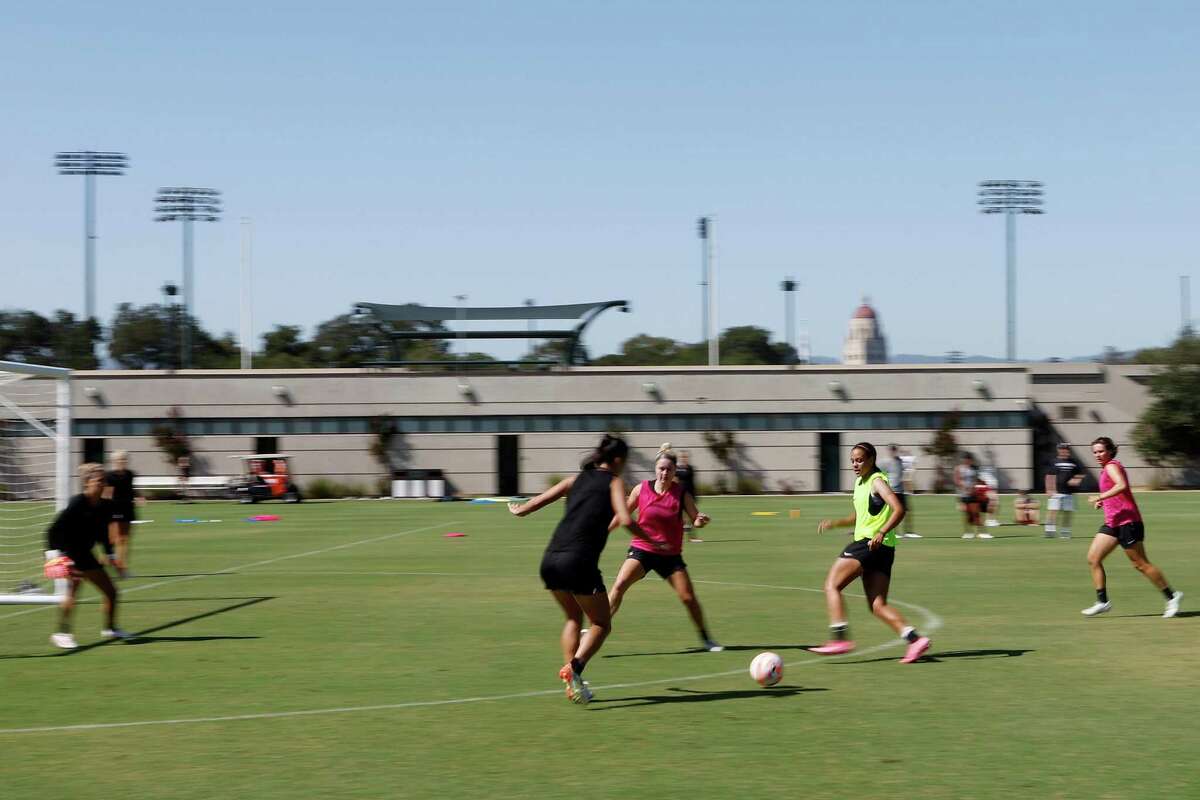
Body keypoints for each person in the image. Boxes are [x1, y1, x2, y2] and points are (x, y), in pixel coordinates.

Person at [508, 434, 653, 705]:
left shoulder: (576, 479)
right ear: (618, 460)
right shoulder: (614, 482)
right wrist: (650, 538)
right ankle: (574, 668)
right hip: (578, 562)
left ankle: (574, 684)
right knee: (600, 623)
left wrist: (521, 510)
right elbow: (624, 518)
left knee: (573, 617)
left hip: (550, 560)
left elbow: (538, 502)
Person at [811, 442, 931, 664]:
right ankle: (915, 640)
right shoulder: (862, 483)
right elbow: (860, 516)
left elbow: (899, 509)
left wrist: (881, 531)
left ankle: (839, 638)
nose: (855, 464)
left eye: (860, 460)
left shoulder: (877, 481)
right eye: (853, 461)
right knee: (878, 606)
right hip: (884, 550)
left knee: (831, 585)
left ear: (871, 460)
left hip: (869, 544)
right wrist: (835, 523)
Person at [606, 444, 721, 651]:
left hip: (670, 556)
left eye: (669, 469)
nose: (664, 473)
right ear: (655, 469)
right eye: (661, 468)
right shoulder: (641, 489)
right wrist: (603, 532)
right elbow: (623, 515)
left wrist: (700, 521)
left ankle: (706, 639)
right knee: (620, 584)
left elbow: (695, 519)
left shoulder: (681, 494)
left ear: (675, 471)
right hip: (642, 549)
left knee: (688, 597)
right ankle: (599, 626)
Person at [1081, 437, 1183, 618]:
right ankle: (1102, 602)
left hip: (1128, 522)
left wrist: (1100, 497)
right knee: (1093, 559)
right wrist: (1104, 503)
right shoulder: (1106, 469)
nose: (1097, 455)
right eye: (1095, 452)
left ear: (1110, 451)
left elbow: (1122, 485)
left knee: (1141, 564)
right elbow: (1118, 494)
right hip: (1113, 522)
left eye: (1101, 451)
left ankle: (1172, 596)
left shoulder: (1112, 466)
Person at [45, 463, 129, 649]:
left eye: (103, 481)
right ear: (87, 482)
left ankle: (110, 629)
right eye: (98, 481)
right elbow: (52, 530)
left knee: (112, 592)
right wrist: (52, 557)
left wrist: (112, 557)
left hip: (86, 552)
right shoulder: (77, 502)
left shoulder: (107, 506)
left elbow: (103, 536)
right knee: (73, 589)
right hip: (68, 551)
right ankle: (61, 633)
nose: (102, 484)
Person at [104, 450, 141, 579]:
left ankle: (122, 568)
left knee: (125, 540)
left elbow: (131, 489)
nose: (122, 462)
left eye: (124, 459)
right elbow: (107, 494)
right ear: (114, 461)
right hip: (114, 509)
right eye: (119, 459)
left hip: (128, 508)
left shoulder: (130, 474)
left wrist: (138, 497)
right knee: (114, 540)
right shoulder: (109, 476)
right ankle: (110, 565)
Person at [1045, 443, 1084, 539]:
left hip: (1069, 493)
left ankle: (1065, 532)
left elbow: (1081, 473)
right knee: (1053, 511)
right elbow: (1049, 476)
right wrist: (1049, 489)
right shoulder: (1054, 462)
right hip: (1056, 493)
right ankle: (1050, 531)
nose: (1065, 451)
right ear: (1059, 450)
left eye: (1066, 449)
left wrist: (1077, 479)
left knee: (1067, 513)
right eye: (1062, 449)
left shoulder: (1074, 462)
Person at [886, 445, 920, 538]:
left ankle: (908, 532)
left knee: (906, 511)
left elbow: (908, 465)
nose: (893, 452)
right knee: (895, 512)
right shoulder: (887, 463)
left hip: (901, 491)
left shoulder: (900, 461)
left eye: (895, 450)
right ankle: (894, 533)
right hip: (892, 491)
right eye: (892, 451)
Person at [956, 453, 991, 539]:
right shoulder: (959, 469)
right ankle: (968, 533)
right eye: (966, 459)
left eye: (970, 460)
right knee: (968, 514)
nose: (968, 461)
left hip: (974, 494)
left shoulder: (975, 468)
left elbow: (977, 480)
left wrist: (979, 487)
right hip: (963, 494)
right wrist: (964, 488)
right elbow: (957, 481)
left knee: (976, 512)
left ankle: (982, 532)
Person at [676, 450, 702, 542]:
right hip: (679, 496)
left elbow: (692, 483)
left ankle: (692, 537)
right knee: (680, 519)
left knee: (692, 518)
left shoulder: (690, 468)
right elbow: (675, 481)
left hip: (690, 496)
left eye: (686, 457)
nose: (684, 458)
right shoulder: (676, 469)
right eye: (682, 457)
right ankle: (679, 537)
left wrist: (695, 495)